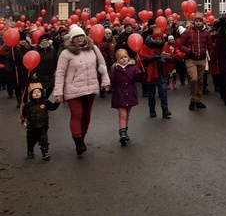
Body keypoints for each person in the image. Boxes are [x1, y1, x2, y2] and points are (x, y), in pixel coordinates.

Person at [54, 25, 110, 156]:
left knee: (86, 116)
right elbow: (60, 73)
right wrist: (58, 93)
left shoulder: (93, 49)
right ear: (72, 39)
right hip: (73, 90)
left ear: (84, 36)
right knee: (76, 115)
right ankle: (77, 141)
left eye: (81, 36)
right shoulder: (65, 53)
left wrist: (105, 81)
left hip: (90, 88)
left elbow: (102, 65)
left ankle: (82, 138)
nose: (79, 39)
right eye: (76, 37)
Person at [178, 14, 213, 111]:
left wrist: (212, 59)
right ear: (194, 22)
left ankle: (198, 100)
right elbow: (180, 45)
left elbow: (210, 47)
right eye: (196, 20)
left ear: (203, 22)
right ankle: (193, 99)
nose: (198, 22)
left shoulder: (206, 33)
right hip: (191, 59)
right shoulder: (188, 32)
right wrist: (188, 51)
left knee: (200, 81)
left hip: (202, 59)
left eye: (200, 21)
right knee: (194, 79)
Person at [138, 29, 174, 118]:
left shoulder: (164, 46)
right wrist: (154, 58)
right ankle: (152, 109)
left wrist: (166, 57)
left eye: (160, 38)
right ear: (153, 39)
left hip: (162, 72)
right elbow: (142, 60)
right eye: (156, 38)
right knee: (151, 92)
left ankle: (165, 109)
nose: (158, 40)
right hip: (151, 72)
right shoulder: (146, 46)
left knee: (164, 90)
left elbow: (171, 57)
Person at [21, 82, 60, 160]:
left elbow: (52, 108)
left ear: (42, 93)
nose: (37, 94)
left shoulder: (45, 102)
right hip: (32, 127)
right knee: (31, 140)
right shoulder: (28, 105)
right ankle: (30, 151)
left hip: (43, 125)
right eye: (34, 92)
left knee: (44, 139)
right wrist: (24, 122)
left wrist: (57, 102)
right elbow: (23, 115)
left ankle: (45, 153)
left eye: (38, 92)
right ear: (31, 95)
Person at [110, 49, 140, 146]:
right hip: (120, 94)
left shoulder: (133, 68)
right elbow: (112, 82)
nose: (123, 59)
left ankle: (125, 131)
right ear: (118, 60)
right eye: (121, 58)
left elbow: (137, 79)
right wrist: (109, 88)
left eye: (125, 57)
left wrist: (140, 72)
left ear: (128, 58)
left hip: (130, 93)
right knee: (122, 115)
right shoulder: (116, 70)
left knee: (127, 114)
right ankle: (122, 133)